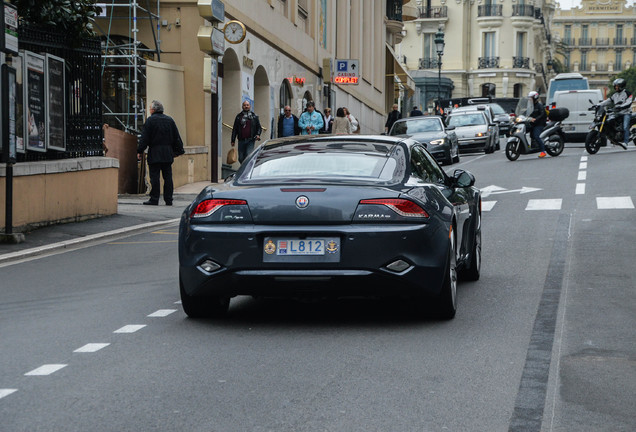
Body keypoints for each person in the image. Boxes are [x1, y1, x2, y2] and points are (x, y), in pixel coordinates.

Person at [137, 100, 184, 206]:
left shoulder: (150, 121)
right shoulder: (169, 120)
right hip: (167, 152)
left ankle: (154, 198)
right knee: (168, 177)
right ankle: (168, 199)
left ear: (153, 110)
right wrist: (178, 151)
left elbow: (144, 138)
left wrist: (140, 150)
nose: (149, 110)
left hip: (155, 152)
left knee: (155, 177)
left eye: (150, 108)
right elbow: (176, 137)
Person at [609, 78, 633, 147]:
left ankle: (625, 142)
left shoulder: (627, 93)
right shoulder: (615, 95)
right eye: (615, 86)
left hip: (626, 113)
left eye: (617, 86)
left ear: (621, 86)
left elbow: (628, 103)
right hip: (617, 113)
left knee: (625, 127)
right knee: (611, 122)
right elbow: (608, 101)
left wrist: (621, 107)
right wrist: (599, 105)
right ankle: (614, 138)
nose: (616, 87)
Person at [527, 91, 547, 158]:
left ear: (535, 97)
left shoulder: (539, 105)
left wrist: (535, 119)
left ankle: (543, 151)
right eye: (529, 98)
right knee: (529, 134)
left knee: (536, 136)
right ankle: (530, 146)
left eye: (531, 98)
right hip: (532, 123)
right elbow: (528, 113)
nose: (530, 99)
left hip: (539, 124)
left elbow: (542, 114)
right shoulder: (530, 106)